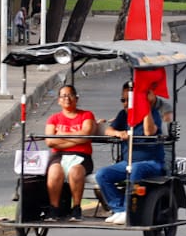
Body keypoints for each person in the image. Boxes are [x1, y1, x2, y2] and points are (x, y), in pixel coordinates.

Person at [96, 82, 166, 225]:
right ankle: (119, 208)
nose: (126, 104)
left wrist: (144, 106)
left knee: (136, 169)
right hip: (127, 163)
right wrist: (118, 132)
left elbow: (149, 131)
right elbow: (108, 130)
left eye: (129, 100)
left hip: (151, 163)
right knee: (102, 174)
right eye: (123, 100)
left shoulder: (152, 114)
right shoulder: (123, 115)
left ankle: (130, 209)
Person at [44, 85, 96, 222]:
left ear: (76, 98)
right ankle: (53, 208)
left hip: (82, 156)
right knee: (54, 171)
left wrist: (61, 135)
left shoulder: (86, 115)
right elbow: (50, 141)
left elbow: (86, 134)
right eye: (63, 96)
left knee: (76, 171)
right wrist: (77, 140)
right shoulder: (53, 118)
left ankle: (77, 208)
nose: (67, 99)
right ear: (59, 100)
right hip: (59, 155)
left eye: (70, 95)